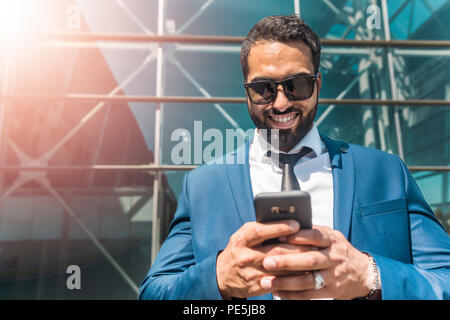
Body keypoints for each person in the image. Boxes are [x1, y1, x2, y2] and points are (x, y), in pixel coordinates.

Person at [139, 15, 450, 300]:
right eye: (263, 88)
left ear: (317, 84)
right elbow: (154, 292)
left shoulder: (386, 171)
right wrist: (216, 277)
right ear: (246, 92)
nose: (281, 102)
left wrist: (371, 275)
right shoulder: (203, 185)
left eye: (296, 85)